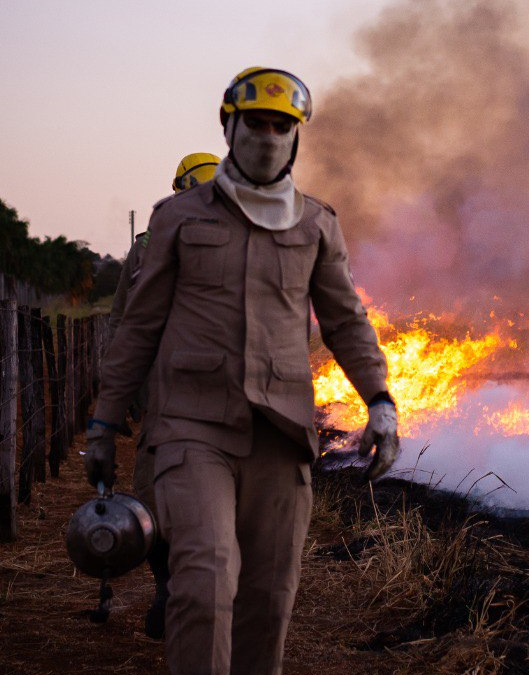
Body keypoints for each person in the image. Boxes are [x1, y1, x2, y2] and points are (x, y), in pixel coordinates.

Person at [85, 67, 400, 675]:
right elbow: (139, 326)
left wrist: (380, 401)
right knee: (202, 581)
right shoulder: (177, 219)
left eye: (282, 126)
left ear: (297, 137)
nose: (267, 137)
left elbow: (347, 323)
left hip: (281, 437)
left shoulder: (316, 224)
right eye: (254, 123)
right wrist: (102, 422)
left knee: (269, 598)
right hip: (190, 429)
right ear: (229, 127)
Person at [105, 151, 221, 641]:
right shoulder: (151, 247)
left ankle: (189, 595)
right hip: (177, 399)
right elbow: (123, 323)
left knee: (187, 501)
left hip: (204, 400)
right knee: (162, 500)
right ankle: (169, 591)